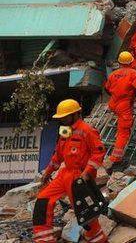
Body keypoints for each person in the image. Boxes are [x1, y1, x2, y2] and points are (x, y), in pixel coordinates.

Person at [33, 99, 108, 243]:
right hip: (64, 174)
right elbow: (57, 157)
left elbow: (98, 152)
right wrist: (47, 173)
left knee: (86, 213)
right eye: (61, 117)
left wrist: (87, 172)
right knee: (43, 200)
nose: (62, 119)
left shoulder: (87, 130)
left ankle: (99, 240)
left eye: (65, 116)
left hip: (80, 177)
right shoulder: (66, 132)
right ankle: (44, 240)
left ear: (75, 114)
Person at [104, 51, 136, 173]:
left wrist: (117, 95)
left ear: (120, 62)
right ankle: (116, 159)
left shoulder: (113, 74)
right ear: (131, 61)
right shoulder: (134, 73)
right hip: (124, 106)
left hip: (113, 103)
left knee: (121, 127)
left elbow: (106, 89)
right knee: (123, 133)